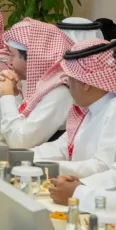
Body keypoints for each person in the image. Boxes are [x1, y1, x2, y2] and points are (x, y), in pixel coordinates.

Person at [34, 39, 116, 179]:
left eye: (70, 78)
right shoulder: (90, 108)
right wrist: (25, 157)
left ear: (85, 83)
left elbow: (102, 167)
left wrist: (43, 166)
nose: (67, 83)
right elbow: (63, 148)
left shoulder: (113, 109)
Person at [0, 18, 74, 148]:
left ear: (33, 56)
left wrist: (7, 97)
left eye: (12, 55)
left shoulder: (60, 91)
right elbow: (4, 135)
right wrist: (6, 96)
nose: (9, 62)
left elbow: (19, 143)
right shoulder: (42, 85)